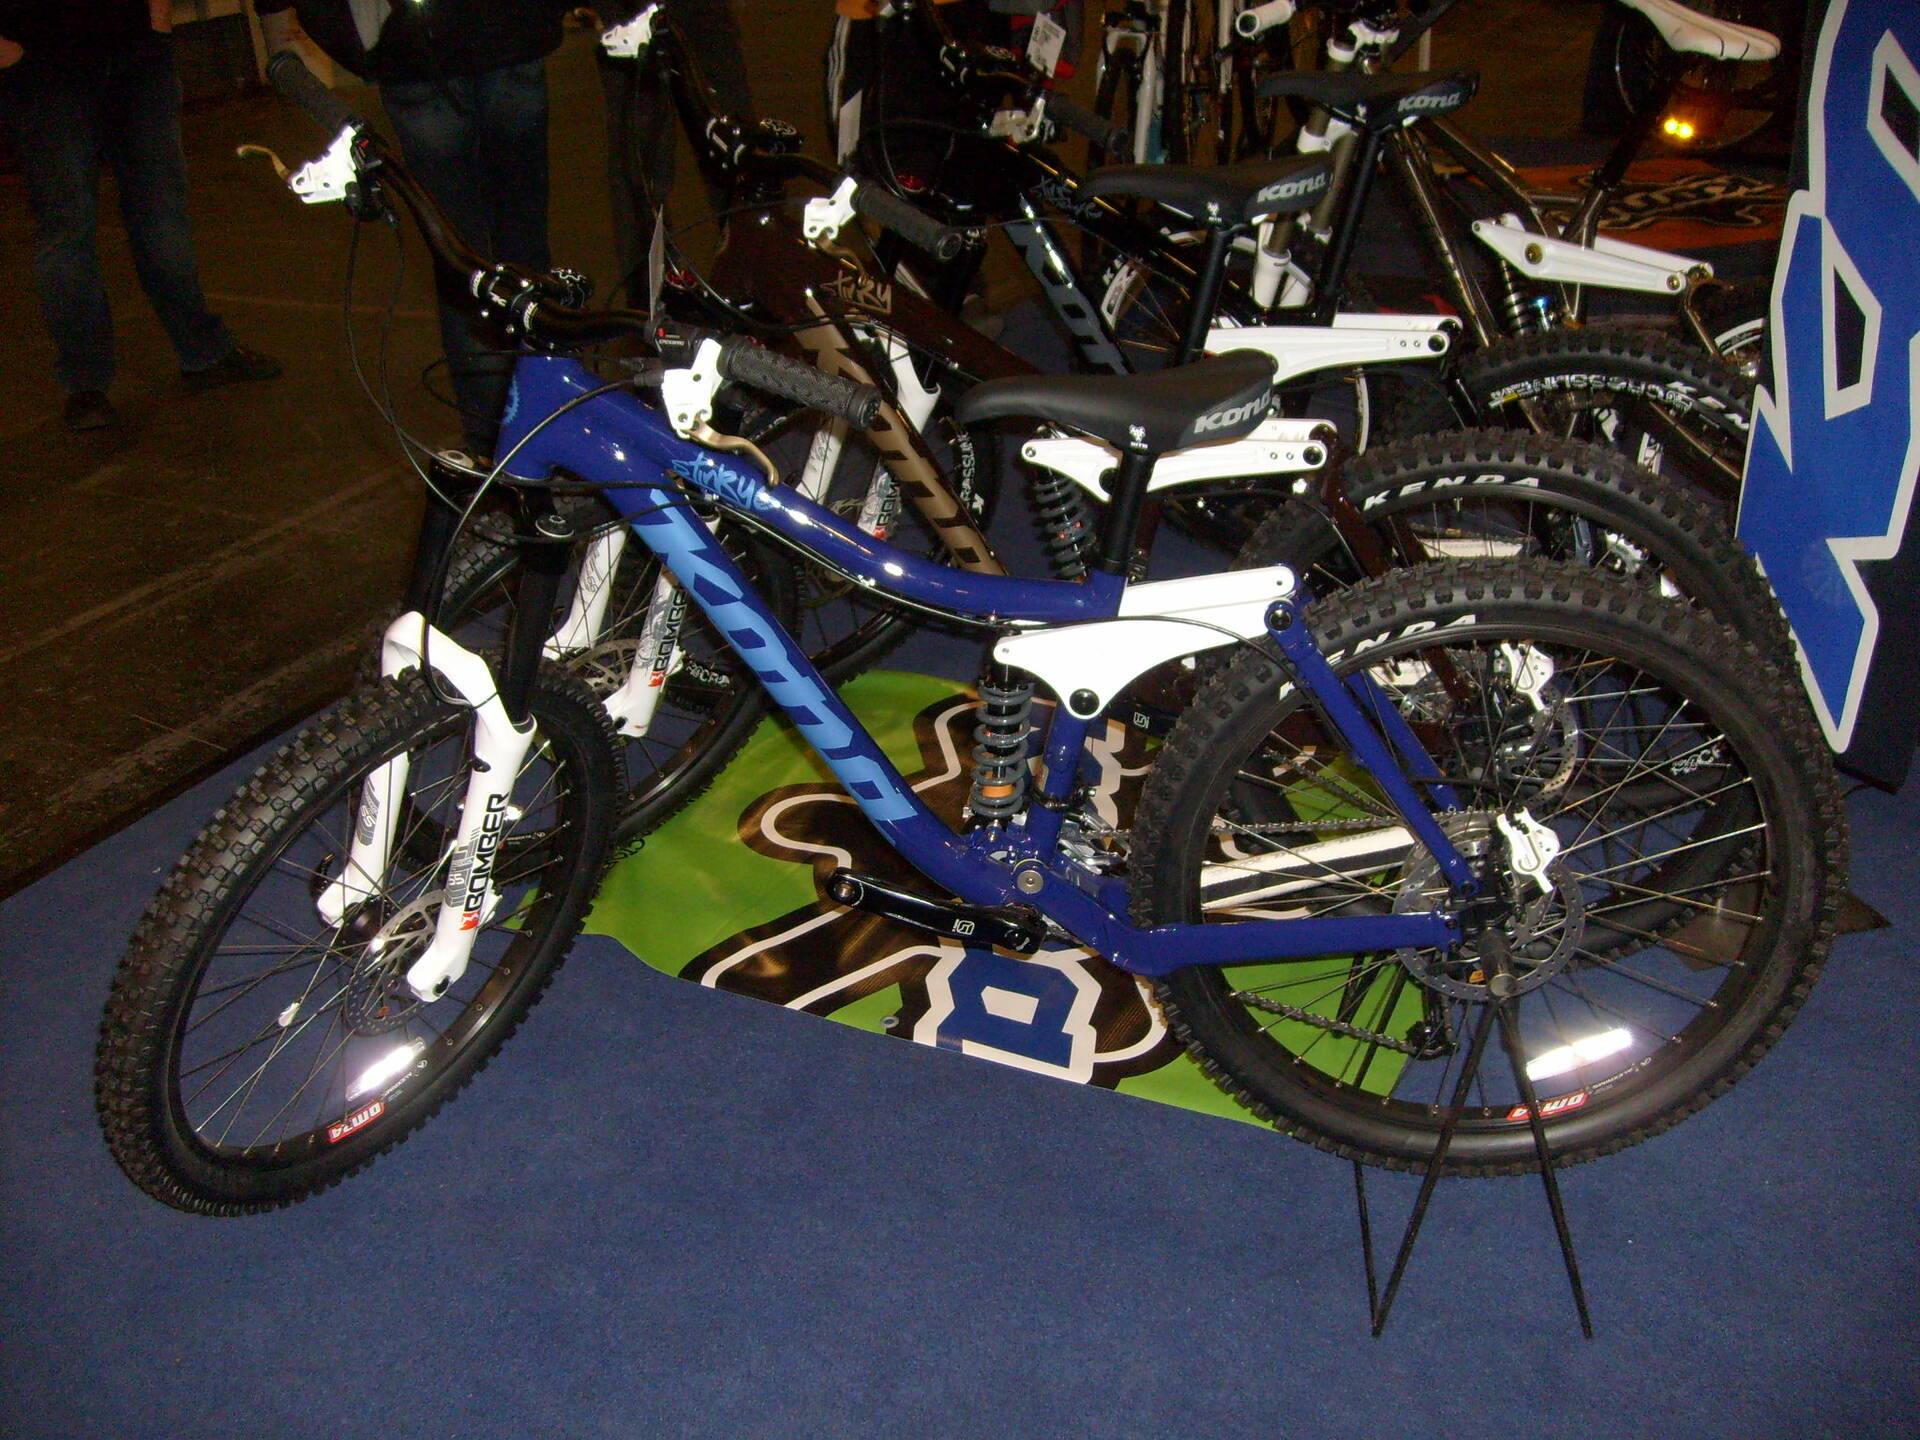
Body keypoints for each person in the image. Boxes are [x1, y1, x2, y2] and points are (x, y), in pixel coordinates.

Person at [256, 0, 570, 455]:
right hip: (502, 34)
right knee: (524, 256)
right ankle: (550, 434)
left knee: (462, 267)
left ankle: (492, 450)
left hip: (417, 47)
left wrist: (365, 45)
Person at [0, 0, 281, 432]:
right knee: (67, 226)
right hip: (40, 61)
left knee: (161, 209)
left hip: (136, 51)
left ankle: (203, 350)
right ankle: (85, 383)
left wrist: (158, 16)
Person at [592, 0, 750, 306]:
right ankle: (651, 300)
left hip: (700, 13)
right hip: (629, 11)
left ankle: (754, 279)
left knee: (735, 143)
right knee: (641, 162)